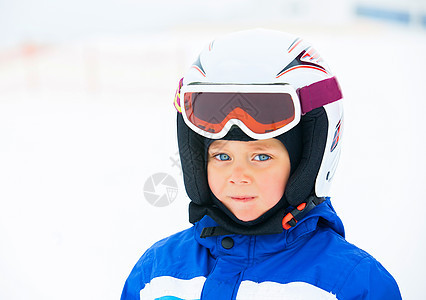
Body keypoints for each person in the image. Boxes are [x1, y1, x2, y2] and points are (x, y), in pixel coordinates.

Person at [120, 29, 401, 299]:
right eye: (222, 156)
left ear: (306, 164)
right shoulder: (155, 275)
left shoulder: (353, 285)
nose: (238, 176)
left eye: (261, 157)